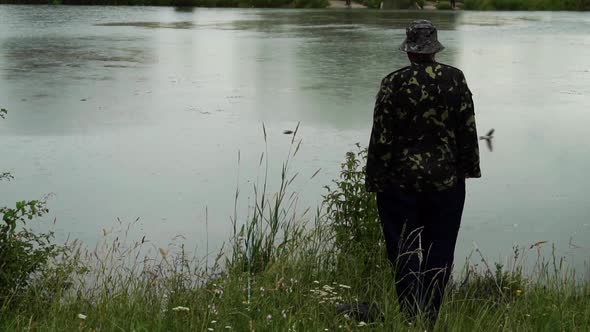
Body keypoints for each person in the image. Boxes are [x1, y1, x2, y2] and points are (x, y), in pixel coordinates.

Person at [365, 20, 481, 322]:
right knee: (440, 252)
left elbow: (381, 138)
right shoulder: (455, 79)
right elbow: (467, 131)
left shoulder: (393, 83)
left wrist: (374, 181)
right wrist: (468, 171)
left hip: (399, 186)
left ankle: (409, 315)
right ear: (434, 49)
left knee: (403, 252)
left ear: (409, 51)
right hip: (446, 185)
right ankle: (430, 317)